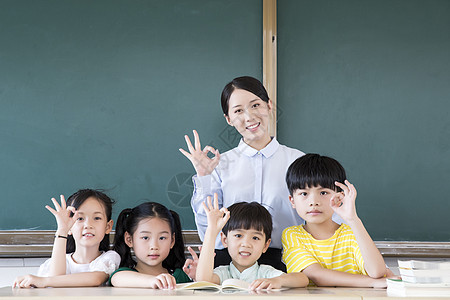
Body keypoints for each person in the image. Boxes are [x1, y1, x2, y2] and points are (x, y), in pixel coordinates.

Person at [180, 76, 328, 271]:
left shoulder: (298, 161)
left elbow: (326, 216)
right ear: (229, 119)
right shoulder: (218, 164)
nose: (249, 117)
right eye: (239, 111)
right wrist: (204, 176)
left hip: (288, 263)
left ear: (269, 106)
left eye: (255, 105)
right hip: (230, 266)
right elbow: (208, 230)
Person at [282, 154, 388, 288]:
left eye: (323, 193)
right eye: (304, 194)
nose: (314, 202)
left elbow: (377, 271)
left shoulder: (351, 234)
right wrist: (372, 282)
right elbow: (316, 275)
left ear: (340, 197)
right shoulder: (292, 235)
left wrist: (353, 219)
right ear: (292, 201)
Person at [196, 194, 309, 290]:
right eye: (238, 235)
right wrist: (211, 230)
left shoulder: (266, 273)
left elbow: (303, 279)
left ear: (266, 245)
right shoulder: (223, 273)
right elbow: (203, 280)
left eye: (255, 238)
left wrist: (278, 280)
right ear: (225, 240)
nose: (246, 244)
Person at [13, 189, 120, 288]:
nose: (88, 225)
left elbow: (95, 279)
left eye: (97, 218)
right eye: (80, 218)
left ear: (108, 227)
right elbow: (55, 284)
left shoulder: (109, 259)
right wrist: (62, 230)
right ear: (70, 227)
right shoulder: (54, 263)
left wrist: (44, 281)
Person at [110, 202, 191, 289]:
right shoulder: (124, 275)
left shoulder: (178, 276)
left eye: (162, 238)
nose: (154, 246)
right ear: (129, 240)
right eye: (145, 238)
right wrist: (154, 280)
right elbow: (117, 278)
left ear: (172, 241)